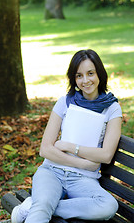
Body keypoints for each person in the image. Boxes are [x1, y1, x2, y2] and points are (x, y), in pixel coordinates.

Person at [11, 49, 122, 223]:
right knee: (42, 208)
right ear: (74, 79)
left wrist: (70, 147)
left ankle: (36, 205)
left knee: (108, 205)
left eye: (90, 73)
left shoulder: (112, 108)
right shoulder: (65, 102)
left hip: (83, 179)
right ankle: (41, 205)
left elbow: (106, 155)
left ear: (99, 73)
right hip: (52, 172)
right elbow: (46, 149)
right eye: (79, 76)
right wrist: (83, 163)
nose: (85, 81)